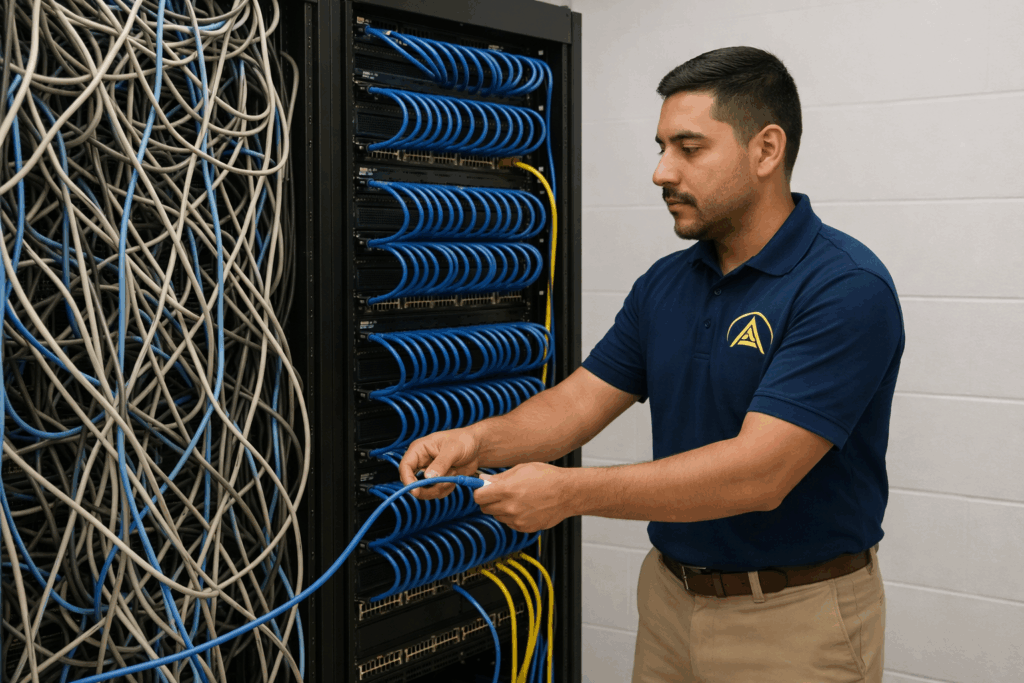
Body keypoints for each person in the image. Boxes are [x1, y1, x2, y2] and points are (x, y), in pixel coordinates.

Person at [399, 46, 904, 683]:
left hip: (794, 618)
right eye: (662, 146)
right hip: (670, 601)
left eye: (689, 148)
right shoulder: (667, 283)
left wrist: (570, 494)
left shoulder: (843, 287)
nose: (661, 171)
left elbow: (760, 474)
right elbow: (578, 403)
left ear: (766, 150)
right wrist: (477, 440)